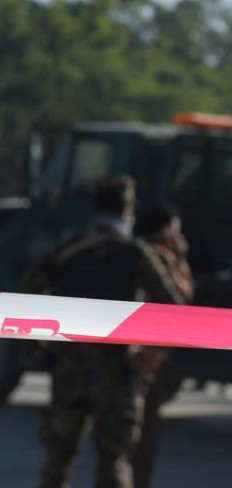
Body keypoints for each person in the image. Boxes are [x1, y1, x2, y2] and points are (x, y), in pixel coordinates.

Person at [22, 176, 185, 488]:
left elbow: (28, 291)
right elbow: (172, 305)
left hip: (69, 371)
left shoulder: (68, 250)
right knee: (113, 463)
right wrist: (149, 353)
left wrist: (41, 347)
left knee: (56, 465)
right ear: (127, 211)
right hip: (118, 371)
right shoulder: (136, 253)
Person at [132, 203, 195, 488]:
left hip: (152, 353)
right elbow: (179, 297)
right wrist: (180, 258)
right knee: (140, 434)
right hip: (145, 355)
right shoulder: (154, 258)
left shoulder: (155, 255)